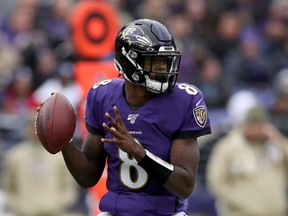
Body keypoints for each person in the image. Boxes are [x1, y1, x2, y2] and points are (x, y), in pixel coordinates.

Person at [36, 19, 211, 216]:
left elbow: (184, 186)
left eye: (166, 60)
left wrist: (138, 152)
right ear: (129, 61)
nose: (164, 67)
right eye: (155, 61)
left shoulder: (184, 100)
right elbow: (87, 177)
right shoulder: (103, 96)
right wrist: (65, 142)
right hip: (115, 211)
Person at [207, 105, 288, 216]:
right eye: (251, 124)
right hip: (241, 212)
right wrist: (241, 200)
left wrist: (278, 139)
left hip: (276, 212)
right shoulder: (228, 147)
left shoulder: (277, 145)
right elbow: (216, 181)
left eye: (259, 125)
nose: (254, 128)